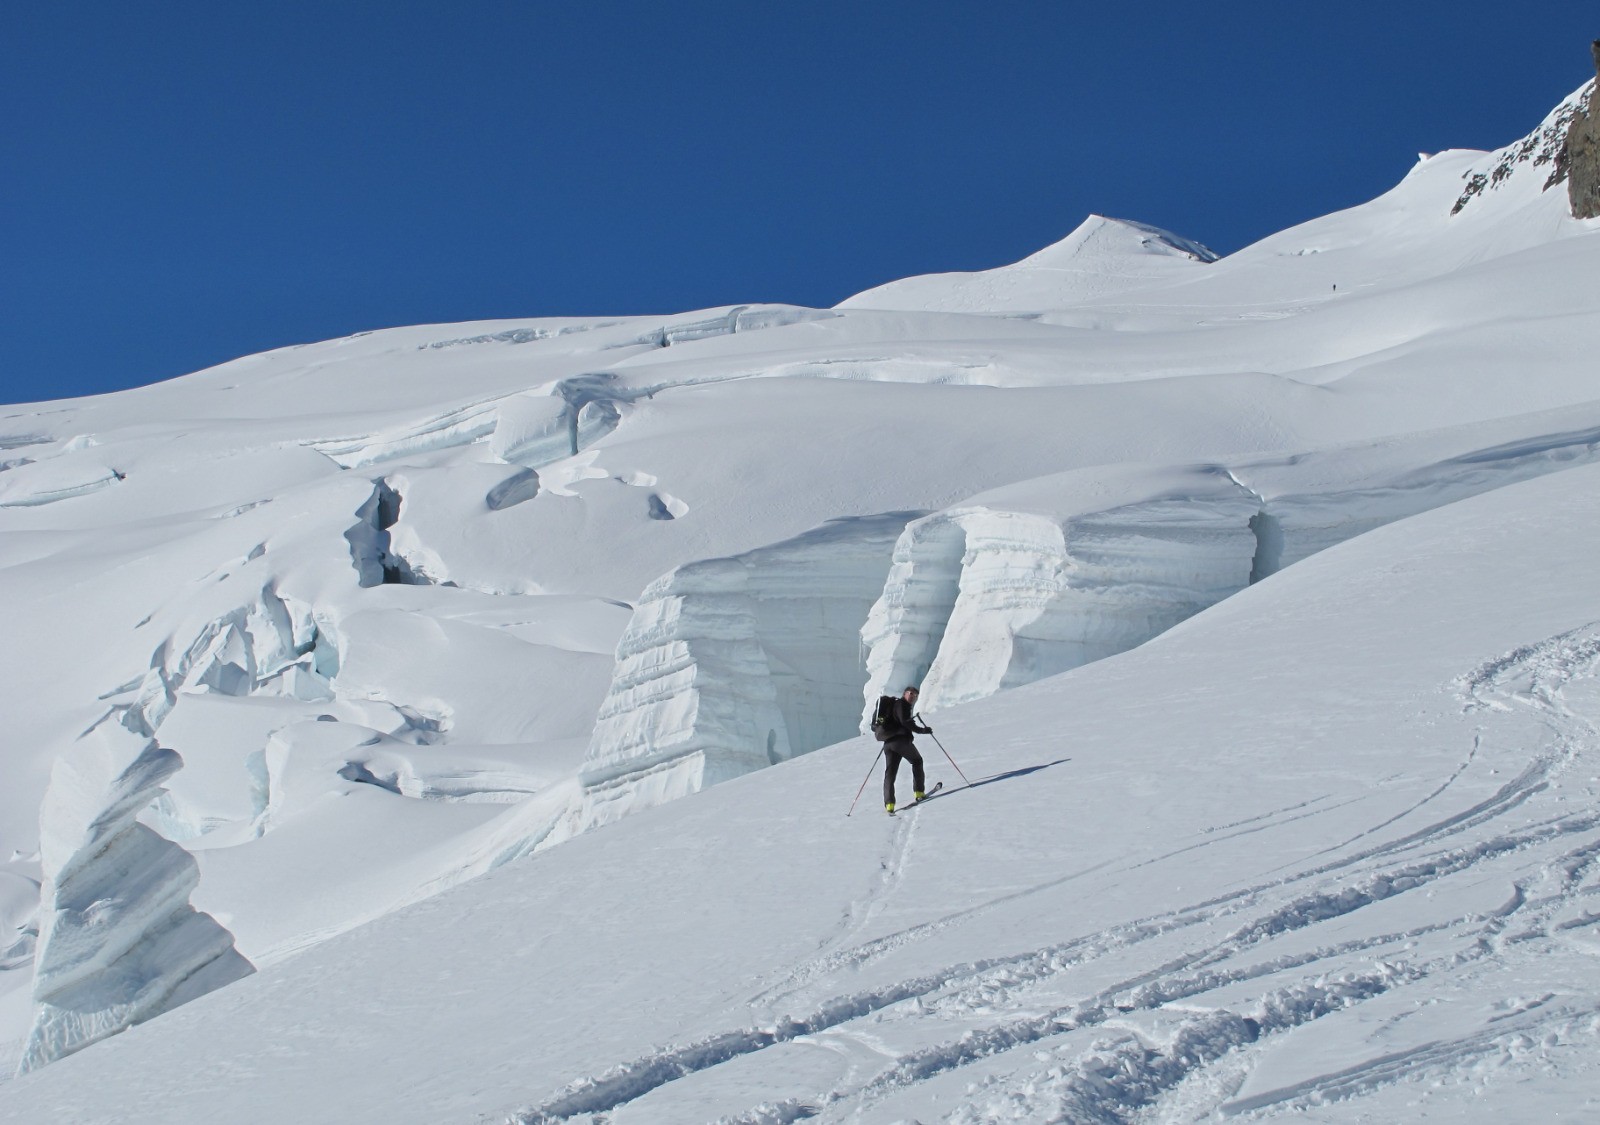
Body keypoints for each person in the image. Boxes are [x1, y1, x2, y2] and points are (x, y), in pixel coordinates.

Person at [883, 686, 933, 814]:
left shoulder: (894, 706)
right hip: (900, 742)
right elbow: (905, 722)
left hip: (889, 743)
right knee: (917, 761)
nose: (913, 697)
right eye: (911, 694)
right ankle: (919, 792)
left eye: (915, 695)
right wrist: (922, 730)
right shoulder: (902, 705)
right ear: (904, 693)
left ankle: (889, 804)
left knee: (890, 773)